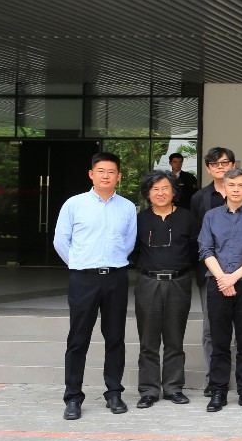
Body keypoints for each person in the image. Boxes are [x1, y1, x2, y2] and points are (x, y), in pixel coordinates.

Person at [54, 152, 138, 420]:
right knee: (78, 339)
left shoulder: (127, 207)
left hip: (116, 277)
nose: (106, 176)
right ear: (91, 174)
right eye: (101, 171)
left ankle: (114, 392)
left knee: (115, 338)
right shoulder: (74, 204)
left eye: (111, 172)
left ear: (118, 176)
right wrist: (80, 264)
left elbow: (129, 242)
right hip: (83, 279)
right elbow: (61, 241)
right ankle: (73, 397)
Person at [190, 146, 242, 383]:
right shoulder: (201, 201)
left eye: (225, 163)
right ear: (208, 169)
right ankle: (215, 383)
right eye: (215, 164)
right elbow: (201, 242)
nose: (220, 167)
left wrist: (234, 277)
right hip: (213, 275)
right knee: (212, 331)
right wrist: (221, 277)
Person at [199, 167, 242, 412]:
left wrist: (233, 279)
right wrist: (223, 279)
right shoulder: (211, 216)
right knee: (219, 341)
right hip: (217, 284)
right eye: (231, 185)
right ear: (224, 188)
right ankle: (218, 391)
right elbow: (205, 250)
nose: (236, 189)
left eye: (241, 185)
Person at [130, 170, 198, 409]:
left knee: (174, 338)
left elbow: (194, 249)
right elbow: (132, 250)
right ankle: (149, 390)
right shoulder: (139, 219)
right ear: (148, 194)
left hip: (178, 282)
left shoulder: (187, 218)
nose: (160, 193)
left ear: (174, 192)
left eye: (165, 188)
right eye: (155, 189)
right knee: (148, 339)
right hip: (148, 282)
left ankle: (173, 387)